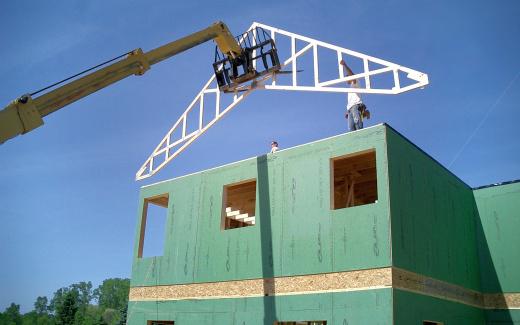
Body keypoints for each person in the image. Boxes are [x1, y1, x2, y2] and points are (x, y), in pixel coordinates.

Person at [340, 59, 370, 131]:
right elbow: (351, 100)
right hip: (350, 108)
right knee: (351, 128)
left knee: (358, 124)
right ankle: (365, 113)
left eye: (347, 78)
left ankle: (365, 113)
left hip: (356, 105)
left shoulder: (356, 83)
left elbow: (352, 75)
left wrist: (345, 65)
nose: (346, 80)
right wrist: (348, 111)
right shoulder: (350, 88)